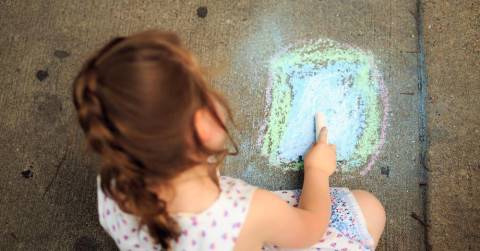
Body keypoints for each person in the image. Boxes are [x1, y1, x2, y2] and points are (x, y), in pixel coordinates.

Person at [72, 30, 386, 251]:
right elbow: (310, 228)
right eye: (204, 89)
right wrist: (317, 172)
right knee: (369, 210)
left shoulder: (113, 186)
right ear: (203, 126)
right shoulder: (246, 211)